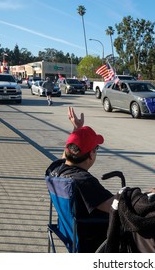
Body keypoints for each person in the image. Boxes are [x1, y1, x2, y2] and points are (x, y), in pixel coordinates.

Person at [46, 106, 114, 252]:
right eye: (96, 149)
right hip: (91, 238)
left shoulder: (54, 171)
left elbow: (66, 155)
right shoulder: (83, 181)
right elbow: (115, 207)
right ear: (90, 155)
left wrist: (77, 130)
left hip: (68, 232)